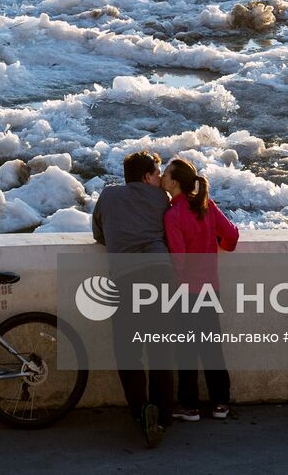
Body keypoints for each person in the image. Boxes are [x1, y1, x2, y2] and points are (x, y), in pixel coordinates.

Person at [92, 149, 176, 447]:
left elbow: (99, 234)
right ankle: (163, 415)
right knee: (161, 350)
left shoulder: (108, 197)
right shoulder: (162, 199)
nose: (160, 180)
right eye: (157, 175)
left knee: (128, 351)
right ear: (146, 176)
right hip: (159, 274)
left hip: (124, 278)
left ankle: (141, 411)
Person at [162, 157, 239, 422]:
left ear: (174, 182)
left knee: (185, 350)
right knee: (211, 348)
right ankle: (221, 404)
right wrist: (217, 243)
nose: (162, 177)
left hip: (186, 291)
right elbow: (232, 236)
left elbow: (178, 261)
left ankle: (189, 406)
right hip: (210, 289)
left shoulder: (173, 215)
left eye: (165, 174)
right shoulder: (206, 206)